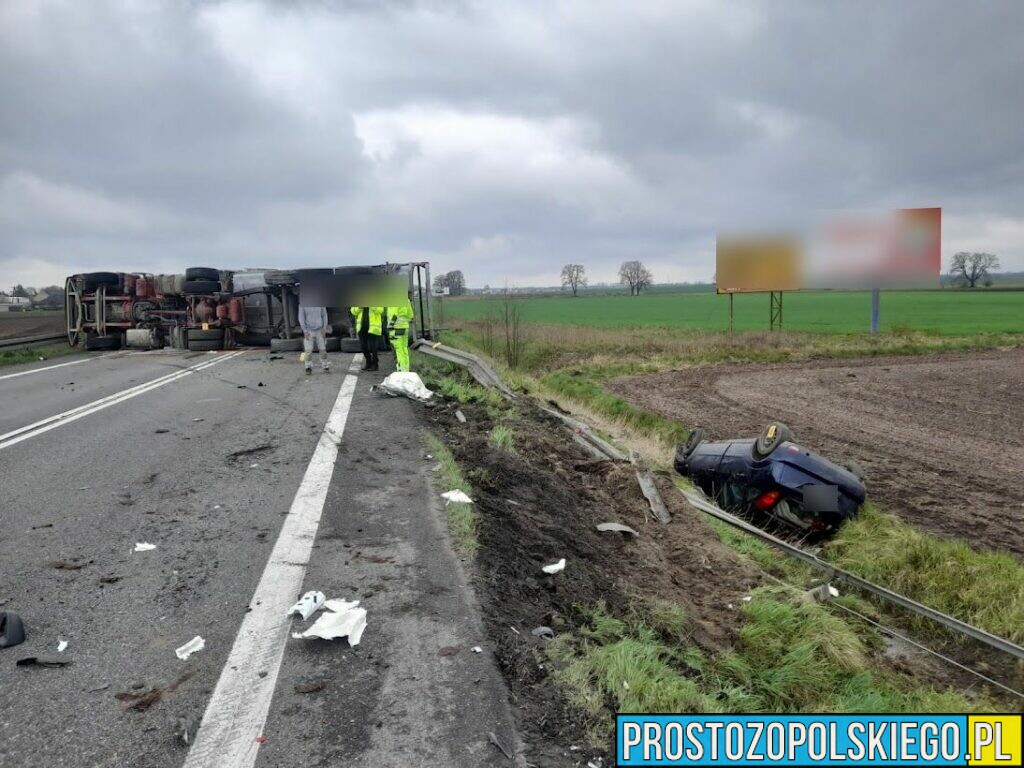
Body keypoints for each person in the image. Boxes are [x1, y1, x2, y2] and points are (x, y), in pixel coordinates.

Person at [298, 303, 331, 374]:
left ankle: (325, 366)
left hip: (320, 330)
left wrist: (324, 328)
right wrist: (305, 331)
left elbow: (324, 315)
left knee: (323, 350)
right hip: (309, 330)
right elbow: (301, 318)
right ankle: (308, 367)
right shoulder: (302, 304)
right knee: (308, 351)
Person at [350, 305, 383, 371]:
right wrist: (359, 308)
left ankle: (375, 364)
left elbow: (381, 310)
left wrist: (372, 306)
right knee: (363, 346)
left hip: (373, 327)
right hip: (361, 327)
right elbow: (353, 311)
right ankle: (368, 362)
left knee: (373, 346)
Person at [387, 295, 415, 372]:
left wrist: (389, 326)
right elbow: (411, 315)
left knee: (398, 350)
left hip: (396, 328)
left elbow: (394, 315)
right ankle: (406, 368)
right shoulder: (407, 300)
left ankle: (401, 370)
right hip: (405, 327)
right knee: (404, 348)